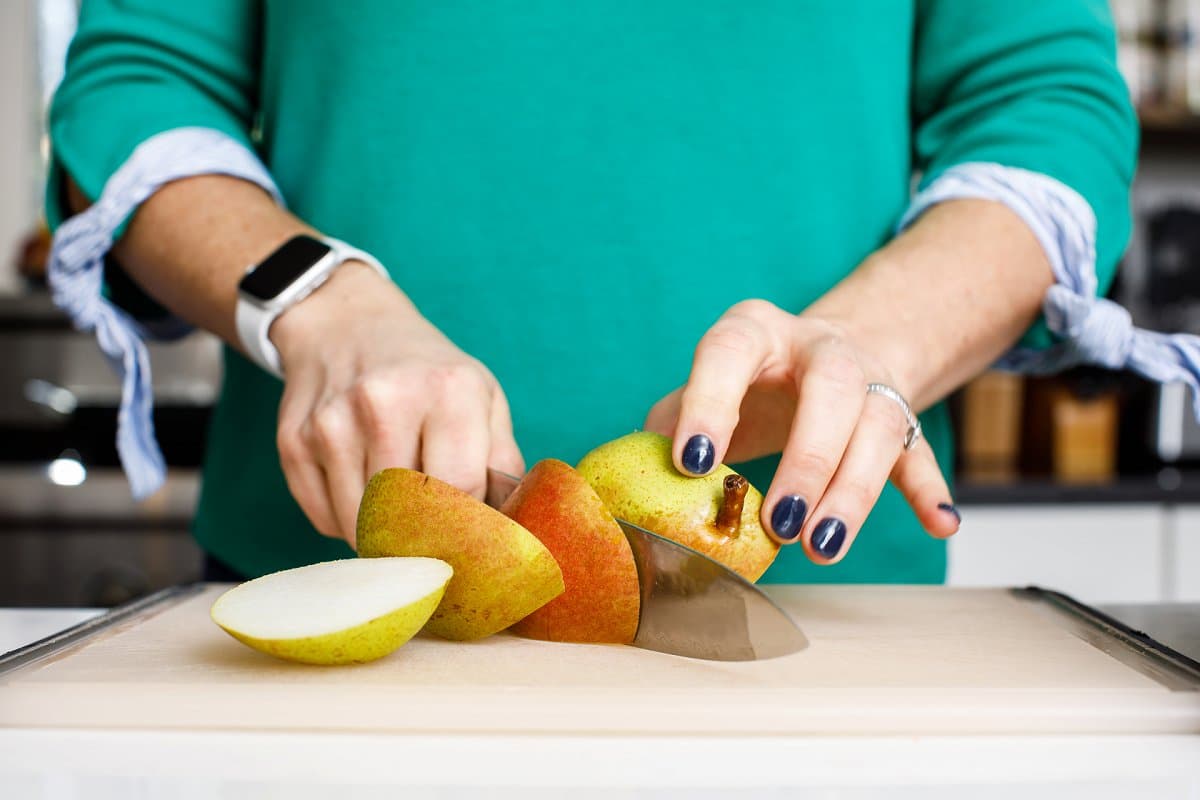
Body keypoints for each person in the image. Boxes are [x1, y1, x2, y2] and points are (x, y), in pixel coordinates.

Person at [48, 1, 1159, 585]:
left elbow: (1045, 105)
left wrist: (871, 338)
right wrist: (315, 298)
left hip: (810, 609)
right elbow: (139, 81)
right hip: (338, 580)